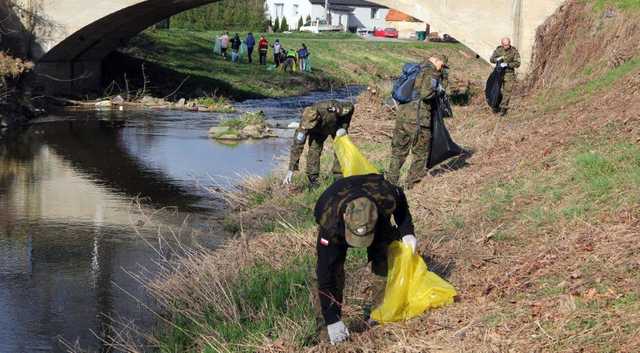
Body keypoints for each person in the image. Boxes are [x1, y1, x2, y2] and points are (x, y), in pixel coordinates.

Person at [313, 173, 418, 345]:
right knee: (330, 271)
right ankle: (326, 328)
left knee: (386, 259)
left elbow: (401, 202)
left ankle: (380, 314)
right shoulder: (328, 219)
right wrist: (332, 319)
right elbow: (326, 276)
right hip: (337, 218)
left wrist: (407, 231)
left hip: (376, 218)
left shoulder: (385, 197)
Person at [386, 54, 448, 189]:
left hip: (403, 117)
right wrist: (439, 89)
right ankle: (412, 184)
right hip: (419, 119)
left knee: (398, 151)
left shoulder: (416, 68)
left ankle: (390, 184)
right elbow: (427, 94)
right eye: (442, 65)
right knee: (420, 152)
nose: (442, 68)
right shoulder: (431, 72)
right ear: (437, 61)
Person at [283, 100, 355, 187]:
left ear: (318, 117)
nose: (307, 128)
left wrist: (344, 127)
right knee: (313, 151)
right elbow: (297, 145)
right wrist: (291, 170)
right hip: (318, 131)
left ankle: (338, 177)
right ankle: (313, 180)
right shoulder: (305, 122)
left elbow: (350, 107)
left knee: (340, 148)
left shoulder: (331, 108)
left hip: (336, 127)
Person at [489, 37, 521, 116]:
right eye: (504, 45)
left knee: (507, 92)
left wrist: (508, 65)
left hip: (509, 74)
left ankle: (503, 109)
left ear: (509, 43)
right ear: (502, 44)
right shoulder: (499, 50)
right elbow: (491, 59)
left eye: (507, 45)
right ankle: (495, 106)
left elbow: (517, 63)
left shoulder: (514, 51)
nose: (506, 46)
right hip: (498, 73)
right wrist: (497, 59)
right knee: (496, 90)